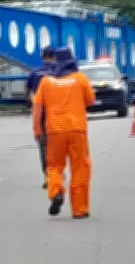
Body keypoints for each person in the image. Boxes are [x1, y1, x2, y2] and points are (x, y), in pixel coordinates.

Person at [32, 47, 95, 218]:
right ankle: (80, 209)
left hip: (55, 131)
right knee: (80, 167)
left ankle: (56, 192)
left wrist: (37, 129)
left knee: (54, 166)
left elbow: (37, 107)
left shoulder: (46, 82)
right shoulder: (80, 79)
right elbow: (90, 100)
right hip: (77, 130)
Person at [26, 46, 56, 189]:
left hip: (40, 113)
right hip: (57, 113)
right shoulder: (59, 71)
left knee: (43, 146)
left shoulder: (34, 72)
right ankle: (57, 174)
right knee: (56, 145)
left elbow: (28, 94)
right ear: (54, 56)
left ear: (42, 56)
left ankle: (48, 176)